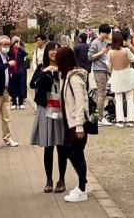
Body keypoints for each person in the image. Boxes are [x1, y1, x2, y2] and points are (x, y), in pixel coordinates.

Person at [30, 41, 68, 193]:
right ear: (46, 52)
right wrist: (45, 71)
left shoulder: (65, 68)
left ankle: (62, 179)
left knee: (62, 146)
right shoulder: (41, 68)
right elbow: (32, 84)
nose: (54, 52)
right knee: (48, 146)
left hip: (61, 109)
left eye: (57, 50)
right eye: (52, 49)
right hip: (46, 109)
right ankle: (49, 179)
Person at [57, 45, 91, 203]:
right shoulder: (66, 76)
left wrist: (78, 125)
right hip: (69, 122)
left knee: (74, 153)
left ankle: (83, 188)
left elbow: (80, 103)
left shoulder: (74, 78)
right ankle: (83, 183)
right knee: (74, 153)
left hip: (75, 124)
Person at [107, 31, 134, 127]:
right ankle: (130, 120)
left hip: (116, 75)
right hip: (126, 74)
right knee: (129, 97)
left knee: (118, 99)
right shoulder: (126, 50)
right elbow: (133, 58)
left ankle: (120, 120)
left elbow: (108, 66)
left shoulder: (110, 52)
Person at [87, 24, 111, 124]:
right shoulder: (95, 43)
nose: (108, 36)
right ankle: (100, 118)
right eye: (107, 33)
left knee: (99, 95)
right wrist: (101, 52)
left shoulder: (105, 42)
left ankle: (95, 117)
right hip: (98, 70)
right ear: (101, 32)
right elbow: (90, 57)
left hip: (105, 69)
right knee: (102, 93)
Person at [9, 36, 29, 109]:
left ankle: (20, 102)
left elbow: (25, 53)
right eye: (14, 41)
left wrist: (19, 47)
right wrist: (12, 45)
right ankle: (14, 102)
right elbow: (7, 54)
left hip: (20, 70)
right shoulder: (10, 49)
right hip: (12, 71)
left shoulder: (21, 49)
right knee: (13, 87)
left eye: (17, 41)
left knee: (21, 86)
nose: (16, 43)